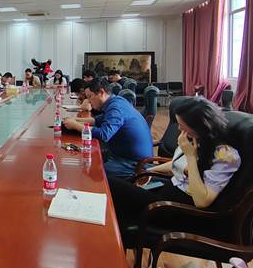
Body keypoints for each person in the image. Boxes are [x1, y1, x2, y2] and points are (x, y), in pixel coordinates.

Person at [108, 97, 240, 234]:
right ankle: (119, 235)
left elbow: (201, 201)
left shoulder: (225, 156)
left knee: (113, 187)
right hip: (168, 191)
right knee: (121, 192)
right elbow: (177, 164)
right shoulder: (197, 139)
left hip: (180, 209)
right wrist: (147, 171)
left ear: (199, 127)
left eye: (182, 125)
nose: (179, 128)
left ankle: (119, 237)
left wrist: (190, 156)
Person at [62, 78, 153, 178]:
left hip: (136, 164)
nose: (89, 101)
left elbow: (104, 135)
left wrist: (75, 125)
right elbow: (96, 120)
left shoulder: (116, 107)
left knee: (91, 169)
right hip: (122, 154)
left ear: (101, 92)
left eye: (90, 96)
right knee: (88, 156)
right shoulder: (115, 101)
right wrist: (75, 120)